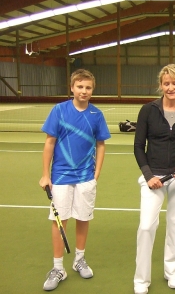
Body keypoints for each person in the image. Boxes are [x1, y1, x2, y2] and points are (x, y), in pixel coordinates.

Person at [39, 69, 111, 291]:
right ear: (72, 87)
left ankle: (79, 259)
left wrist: (96, 173)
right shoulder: (59, 110)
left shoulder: (96, 115)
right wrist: (45, 174)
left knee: (83, 217)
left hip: (85, 177)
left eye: (88, 87)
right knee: (60, 221)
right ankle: (58, 267)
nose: (84, 91)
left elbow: (101, 144)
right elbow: (50, 143)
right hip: (60, 176)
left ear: (92, 89)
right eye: (80, 87)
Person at [133, 64, 175, 294]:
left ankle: (172, 271)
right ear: (160, 85)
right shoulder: (148, 110)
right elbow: (138, 146)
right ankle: (141, 279)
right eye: (166, 83)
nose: (171, 87)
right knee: (146, 227)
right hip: (154, 175)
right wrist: (149, 175)